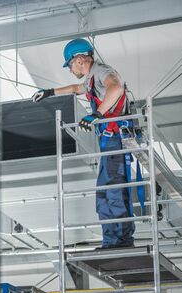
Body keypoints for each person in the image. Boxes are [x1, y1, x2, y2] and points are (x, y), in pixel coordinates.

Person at [32, 38, 135, 248]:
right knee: (105, 192)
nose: (70, 70)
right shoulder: (91, 79)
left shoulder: (104, 72)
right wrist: (50, 92)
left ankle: (121, 241)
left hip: (115, 139)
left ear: (79, 59)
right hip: (108, 142)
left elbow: (116, 88)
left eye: (69, 65)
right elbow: (76, 89)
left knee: (113, 190)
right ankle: (111, 240)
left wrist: (97, 114)